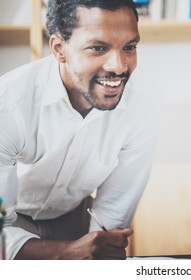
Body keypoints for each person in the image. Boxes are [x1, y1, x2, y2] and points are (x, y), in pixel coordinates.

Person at [0, 0, 162, 259]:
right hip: (11, 223)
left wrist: (91, 251)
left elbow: (111, 222)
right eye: (98, 48)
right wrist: (67, 253)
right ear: (59, 48)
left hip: (75, 223)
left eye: (129, 47)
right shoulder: (8, 103)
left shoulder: (144, 108)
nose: (118, 66)